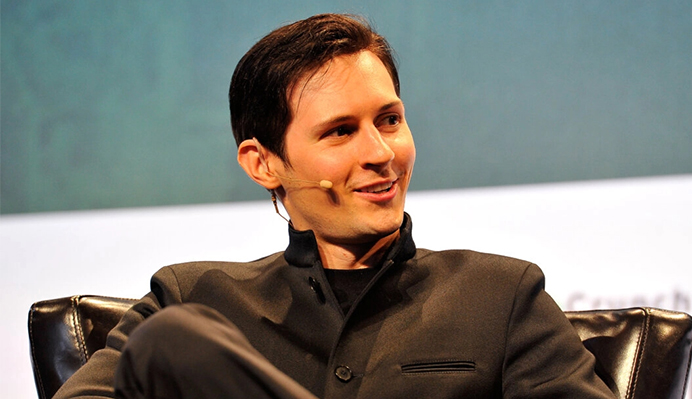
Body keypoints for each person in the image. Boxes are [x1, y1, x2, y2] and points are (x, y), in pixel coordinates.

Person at [53, 13, 615, 399]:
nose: (380, 153)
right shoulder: (194, 299)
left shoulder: (500, 296)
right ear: (262, 163)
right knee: (170, 342)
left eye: (389, 120)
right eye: (340, 132)